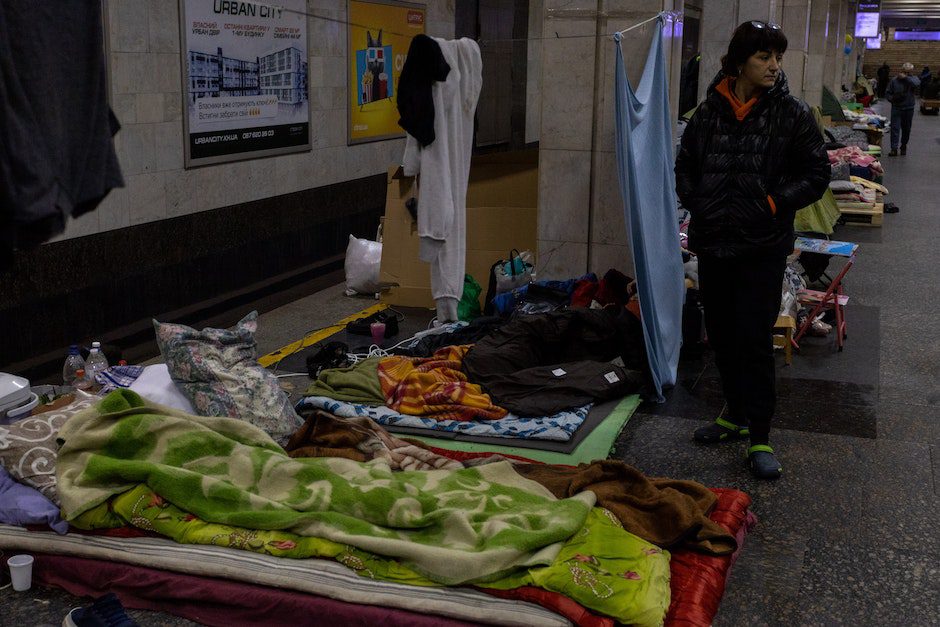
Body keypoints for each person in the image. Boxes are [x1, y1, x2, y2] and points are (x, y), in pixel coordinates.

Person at [674, 20, 829, 479]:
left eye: (777, 58)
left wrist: (773, 201)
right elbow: (685, 165)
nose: (773, 66)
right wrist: (697, 199)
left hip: (761, 247)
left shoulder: (792, 114)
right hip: (715, 243)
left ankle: (759, 434)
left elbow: (816, 174)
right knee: (720, 336)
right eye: (764, 57)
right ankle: (734, 415)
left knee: (754, 341)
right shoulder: (708, 113)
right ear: (740, 61)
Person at [885, 62, 920, 156]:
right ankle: (894, 148)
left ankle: (903, 145)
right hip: (897, 108)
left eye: (909, 72)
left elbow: (916, 84)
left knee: (906, 129)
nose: (907, 73)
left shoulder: (914, 79)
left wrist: (906, 78)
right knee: (895, 128)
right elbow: (888, 93)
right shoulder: (894, 80)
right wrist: (892, 99)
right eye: (905, 72)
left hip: (908, 108)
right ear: (902, 70)